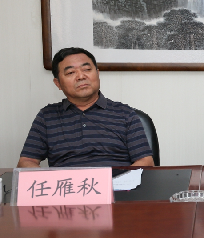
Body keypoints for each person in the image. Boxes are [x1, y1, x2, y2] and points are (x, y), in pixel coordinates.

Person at [17, 47, 154, 168]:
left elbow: (145, 161)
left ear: (97, 74)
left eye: (87, 69)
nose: (81, 76)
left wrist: (115, 183)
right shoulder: (47, 117)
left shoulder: (125, 113)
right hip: (67, 187)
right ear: (58, 83)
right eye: (71, 72)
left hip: (116, 187)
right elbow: (26, 161)